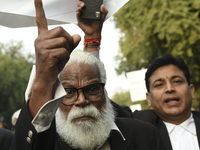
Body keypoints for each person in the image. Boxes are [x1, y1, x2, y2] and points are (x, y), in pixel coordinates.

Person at [10, 0, 167, 150]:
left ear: (104, 90)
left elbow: (91, 74)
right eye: (69, 92)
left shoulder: (144, 136)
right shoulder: (47, 143)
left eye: (92, 89)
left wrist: (92, 39)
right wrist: (43, 81)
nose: (82, 101)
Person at [113, 53, 200, 150]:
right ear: (149, 99)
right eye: (159, 85)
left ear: (191, 91)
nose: (169, 89)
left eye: (177, 81)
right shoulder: (140, 128)